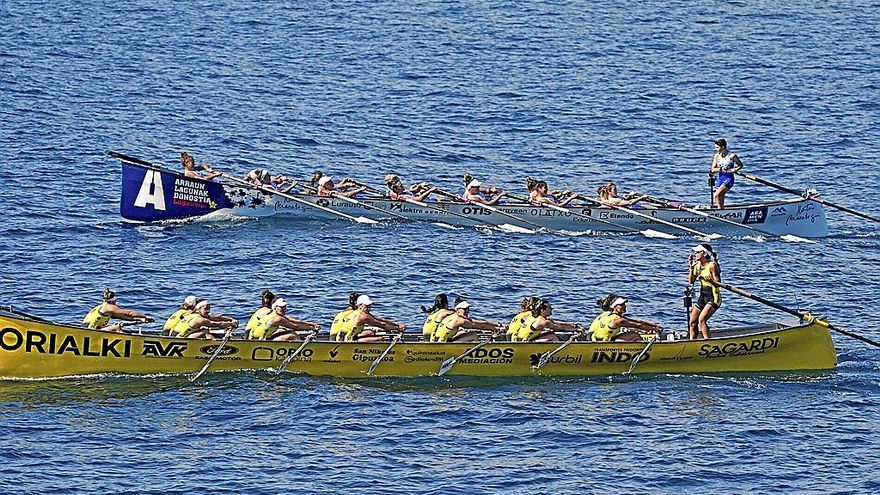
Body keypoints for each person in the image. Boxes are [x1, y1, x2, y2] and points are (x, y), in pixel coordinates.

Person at [591, 295, 662, 342]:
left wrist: (654, 326)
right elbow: (638, 326)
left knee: (634, 332)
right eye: (621, 305)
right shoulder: (618, 320)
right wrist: (654, 329)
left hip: (601, 338)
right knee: (635, 335)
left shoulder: (609, 315)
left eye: (624, 304)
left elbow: (638, 321)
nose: (624, 306)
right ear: (615, 307)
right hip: (604, 343)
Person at [337, 295, 406, 343]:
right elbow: (382, 325)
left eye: (370, 306)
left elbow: (381, 320)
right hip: (348, 342)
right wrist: (397, 328)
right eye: (366, 306)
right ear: (360, 306)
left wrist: (397, 324)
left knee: (371, 332)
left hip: (344, 337)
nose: (369, 308)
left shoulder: (356, 312)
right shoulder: (363, 317)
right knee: (380, 339)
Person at [688, 243, 722, 339]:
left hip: (713, 297)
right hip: (702, 297)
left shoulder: (712, 265)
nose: (695, 254)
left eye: (697, 252)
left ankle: (708, 343)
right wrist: (691, 267)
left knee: (702, 320)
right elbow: (691, 281)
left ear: (704, 254)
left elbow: (719, 283)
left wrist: (711, 281)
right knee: (692, 322)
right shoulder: (698, 265)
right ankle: (692, 343)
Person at [431, 300, 504, 343]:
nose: (467, 311)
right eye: (464, 309)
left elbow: (481, 322)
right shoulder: (458, 320)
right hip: (443, 345)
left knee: (464, 332)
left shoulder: (452, 316)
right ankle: (476, 359)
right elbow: (480, 326)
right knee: (473, 335)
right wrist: (496, 329)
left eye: (468, 309)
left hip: (442, 341)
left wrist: (498, 325)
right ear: (458, 309)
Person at [83, 288, 153, 332]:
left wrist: (141, 320)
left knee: (116, 325)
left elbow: (124, 317)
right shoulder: (109, 307)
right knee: (117, 327)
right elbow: (129, 313)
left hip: (88, 330)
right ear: (113, 300)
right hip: (90, 332)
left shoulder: (101, 307)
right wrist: (145, 316)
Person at [249, 298, 320, 341]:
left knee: (286, 330)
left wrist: (312, 324)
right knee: (293, 335)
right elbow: (296, 327)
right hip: (260, 341)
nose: (284, 309)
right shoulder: (278, 319)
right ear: (275, 307)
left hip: (255, 337)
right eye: (281, 307)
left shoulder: (271, 313)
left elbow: (296, 321)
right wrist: (312, 329)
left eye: (285, 307)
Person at [513, 298, 580, 343]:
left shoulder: (535, 317)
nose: (552, 309)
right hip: (524, 343)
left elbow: (556, 323)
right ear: (542, 310)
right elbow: (560, 328)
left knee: (550, 333)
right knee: (553, 337)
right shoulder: (543, 322)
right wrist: (576, 330)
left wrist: (573, 325)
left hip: (518, 339)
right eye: (549, 308)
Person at [170, 299, 238, 339]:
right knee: (205, 333)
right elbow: (218, 324)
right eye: (205, 309)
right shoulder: (199, 319)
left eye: (209, 309)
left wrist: (231, 319)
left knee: (204, 329)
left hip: (177, 336)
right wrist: (232, 323)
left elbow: (217, 317)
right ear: (198, 309)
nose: (208, 311)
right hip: (179, 339)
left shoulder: (195, 314)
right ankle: (216, 348)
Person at [710, 138, 744, 208]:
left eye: (717, 147)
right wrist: (721, 169)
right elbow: (713, 169)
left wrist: (734, 169)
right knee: (720, 197)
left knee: (716, 195)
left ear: (723, 147)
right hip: (720, 178)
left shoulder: (732, 156)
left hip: (729, 179)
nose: (716, 149)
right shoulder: (716, 156)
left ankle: (720, 213)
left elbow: (740, 165)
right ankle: (722, 211)